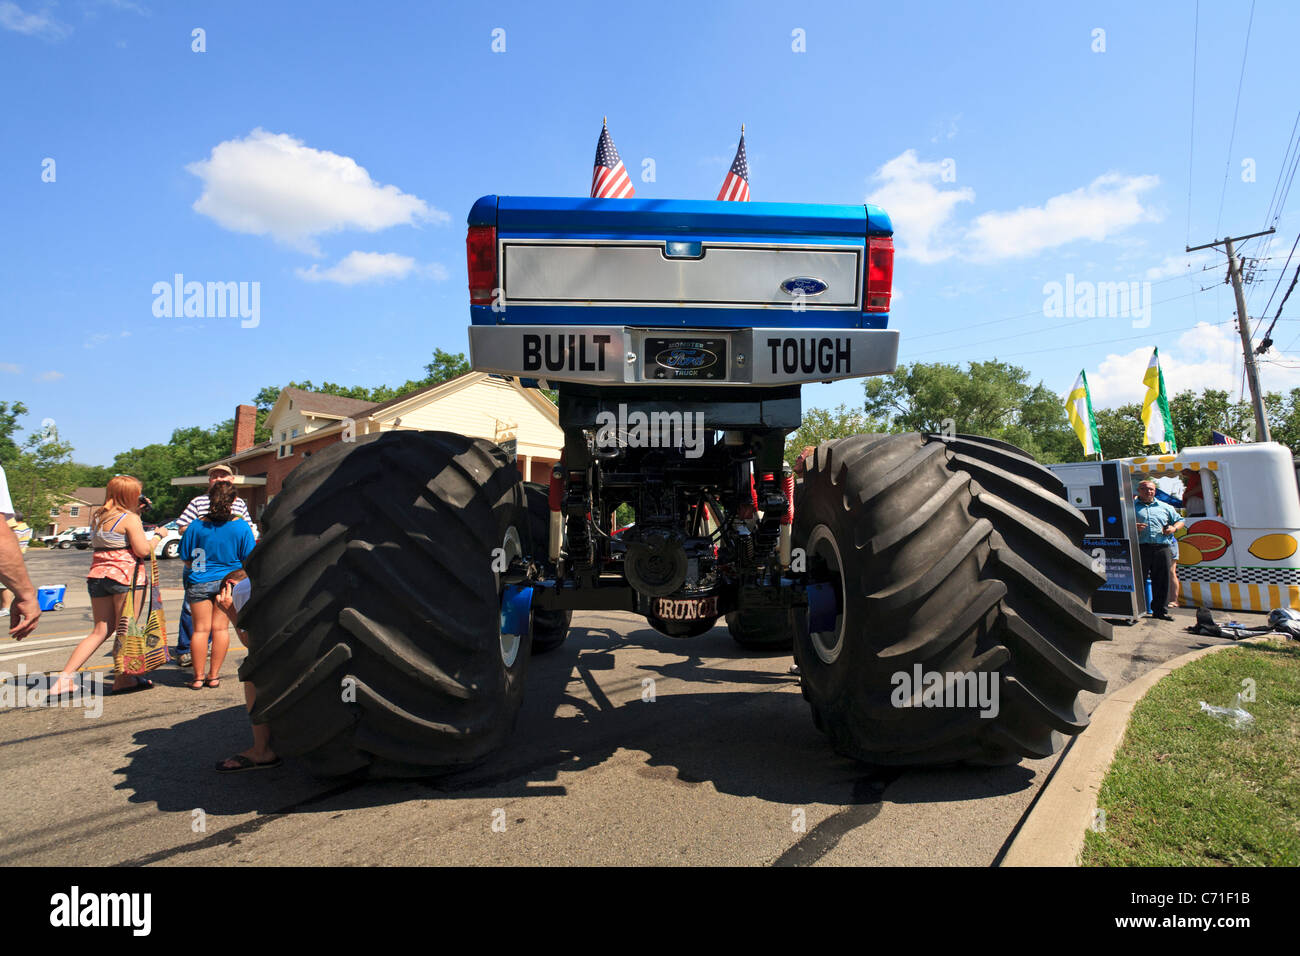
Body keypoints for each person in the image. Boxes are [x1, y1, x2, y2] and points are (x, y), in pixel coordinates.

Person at [49, 475, 169, 695]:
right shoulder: (129, 518)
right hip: (126, 577)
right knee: (127, 629)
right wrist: (158, 536)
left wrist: (138, 511)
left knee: (100, 630)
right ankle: (123, 679)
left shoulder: (98, 517)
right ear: (130, 495)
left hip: (98, 576)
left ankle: (64, 678)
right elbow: (142, 550)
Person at [173, 464, 254, 667]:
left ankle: (199, 676)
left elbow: (184, 554)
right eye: (214, 476)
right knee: (216, 627)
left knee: (200, 627)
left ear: (231, 480)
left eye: (223, 475)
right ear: (209, 481)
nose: (218, 479)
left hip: (202, 574)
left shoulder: (238, 509)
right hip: (224, 575)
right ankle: (207, 669)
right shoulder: (199, 506)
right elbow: (249, 551)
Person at [213, 569, 281, 773]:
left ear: (230, 585)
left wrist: (231, 612)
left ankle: (262, 750)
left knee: (251, 671)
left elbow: (251, 642)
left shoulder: (244, 589)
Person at [1134, 480, 1184, 622]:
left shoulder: (1165, 507)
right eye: (1145, 489)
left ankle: (1160, 611)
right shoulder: (1131, 507)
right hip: (1140, 547)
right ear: (1139, 490)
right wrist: (1133, 526)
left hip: (1162, 547)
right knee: (1139, 580)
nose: (1148, 491)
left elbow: (1180, 520)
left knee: (1162, 580)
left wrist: (1173, 528)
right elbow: (1120, 522)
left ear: (1155, 491)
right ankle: (1137, 611)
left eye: (1151, 489)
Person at [0, 511, 40, 640]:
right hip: (14, 557)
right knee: (7, 585)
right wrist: (26, 595)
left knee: (4, 586)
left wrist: (25, 594)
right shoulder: (26, 528)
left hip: (9, 558)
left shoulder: (17, 528)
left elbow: (2, 540)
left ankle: (5, 606)